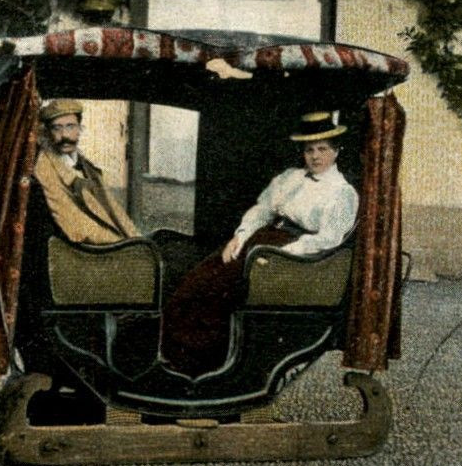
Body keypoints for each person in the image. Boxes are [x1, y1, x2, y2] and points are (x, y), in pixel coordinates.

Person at [159, 111, 358, 378]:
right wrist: (240, 237)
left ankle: (200, 369)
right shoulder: (290, 177)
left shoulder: (341, 192)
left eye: (322, 149)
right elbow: (263, 209)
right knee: (196, 279)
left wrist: (282, 254)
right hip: (261, 238)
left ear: (336, 151)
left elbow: (327, 239)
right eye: (309, 149)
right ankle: (171, 360)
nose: (315, 156)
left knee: (219, 294)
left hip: (290, 253)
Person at [33, 99, 141, 245]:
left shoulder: (87, 166)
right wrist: (120, 243)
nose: (65, 135)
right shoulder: (44, 168)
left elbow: (113, 210)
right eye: (57, 128)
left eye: (70, 127)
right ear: (47, 132)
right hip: (84, 247)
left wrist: (135, 240)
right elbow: (73, 222)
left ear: (80, 129)